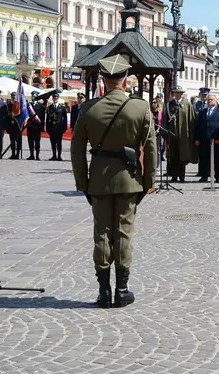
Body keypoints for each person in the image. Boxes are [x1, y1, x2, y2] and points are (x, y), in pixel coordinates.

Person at [71, 54, 156, 308]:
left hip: (98, 181)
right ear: (125, 80)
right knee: (123, 233)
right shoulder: (140, 107)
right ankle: (122, 289)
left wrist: (82, 182)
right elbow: (150, 148)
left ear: (103, 79)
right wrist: (148, 181)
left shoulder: (88, 108)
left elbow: (76, 151)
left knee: (102, 234)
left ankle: (103, 291)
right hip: (129, 180)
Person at [164, 86, 197, 183]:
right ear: (173, 94)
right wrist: (165, 133)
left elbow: (191, 119)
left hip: (183, 135)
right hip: (172, 134)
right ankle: (173, 176)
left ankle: (182, 176)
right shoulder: (168, 105)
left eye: (180, 93)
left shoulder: (187, 105)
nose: (178, 95)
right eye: (176, 93)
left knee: (183, 155)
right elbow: (165, 120)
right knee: (172, 156)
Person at [195, 93, 219, 183]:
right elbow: (198, 126)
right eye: (208, 100)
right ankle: (204, 175)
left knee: (217, 158)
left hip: (216, 139)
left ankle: (218, 176)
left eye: (211, 99)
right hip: (204, 139)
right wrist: (197, 138)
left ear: (216, 101)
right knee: (204, 158)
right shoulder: (202, 112)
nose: (209, 101)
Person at [46, 93, 67, 161]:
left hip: (59, 128)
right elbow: (47, 119)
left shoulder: (62, 108)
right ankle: (54, 155)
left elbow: (65, 119)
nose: (55, 99)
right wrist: (47, 128)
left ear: (58, 99)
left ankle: (59, 156)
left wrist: (64, 128)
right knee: (53, 143)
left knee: (59, 143)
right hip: (52, 128)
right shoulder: (49, 108)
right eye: (54, 98)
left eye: (56, 98)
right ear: (52, 99)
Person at [26, 91, 46, 160]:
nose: (33, 97)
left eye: (34, 96)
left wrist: (42, 127)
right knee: (30, 141)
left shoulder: (40, 105)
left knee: (37, 142)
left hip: (37, 126)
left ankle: (37, 155)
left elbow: (42, 117)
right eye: (32, 96)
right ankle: (31, 155)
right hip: (30, 126)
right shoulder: (28, 105)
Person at [5, 92, 23, 160]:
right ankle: (13, 154)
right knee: (12, 140)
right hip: (11, 125)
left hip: (18, 125)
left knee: (18, 141)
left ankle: (17, 154)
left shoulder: (19, 105)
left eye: (15, 97)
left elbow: (21, 114)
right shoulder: (9, 105)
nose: (13, 98)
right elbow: (7, 115)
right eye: (12, 96)